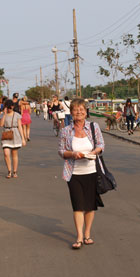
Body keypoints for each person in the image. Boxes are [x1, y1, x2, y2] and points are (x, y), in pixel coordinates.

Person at [58, 98, 105, 250]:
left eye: (82, 110)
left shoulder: (93, 126)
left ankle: (87, 234)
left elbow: (101, 145)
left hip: (91, 170)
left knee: (90, 206)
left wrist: (93, 152)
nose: (79, 112)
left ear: (86, 112)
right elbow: (61, 151)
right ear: (71, 112)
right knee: (78, 205)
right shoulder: (66, 131)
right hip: (73, 173)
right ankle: (79, 237)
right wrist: (73, 154)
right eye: (76, 110)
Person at [0, 99, 26, 178]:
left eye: (10, 107)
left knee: (14, 154)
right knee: (6, 153)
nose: (9, 109)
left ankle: (14, 171)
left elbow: (20, 127)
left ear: (13, 107)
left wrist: (23, 138)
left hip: (15, 135)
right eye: (7, 108)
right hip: (6, 134)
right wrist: (4, 114)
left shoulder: (17, 115)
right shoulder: (3, 115)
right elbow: (1, 124)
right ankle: (9, 171)